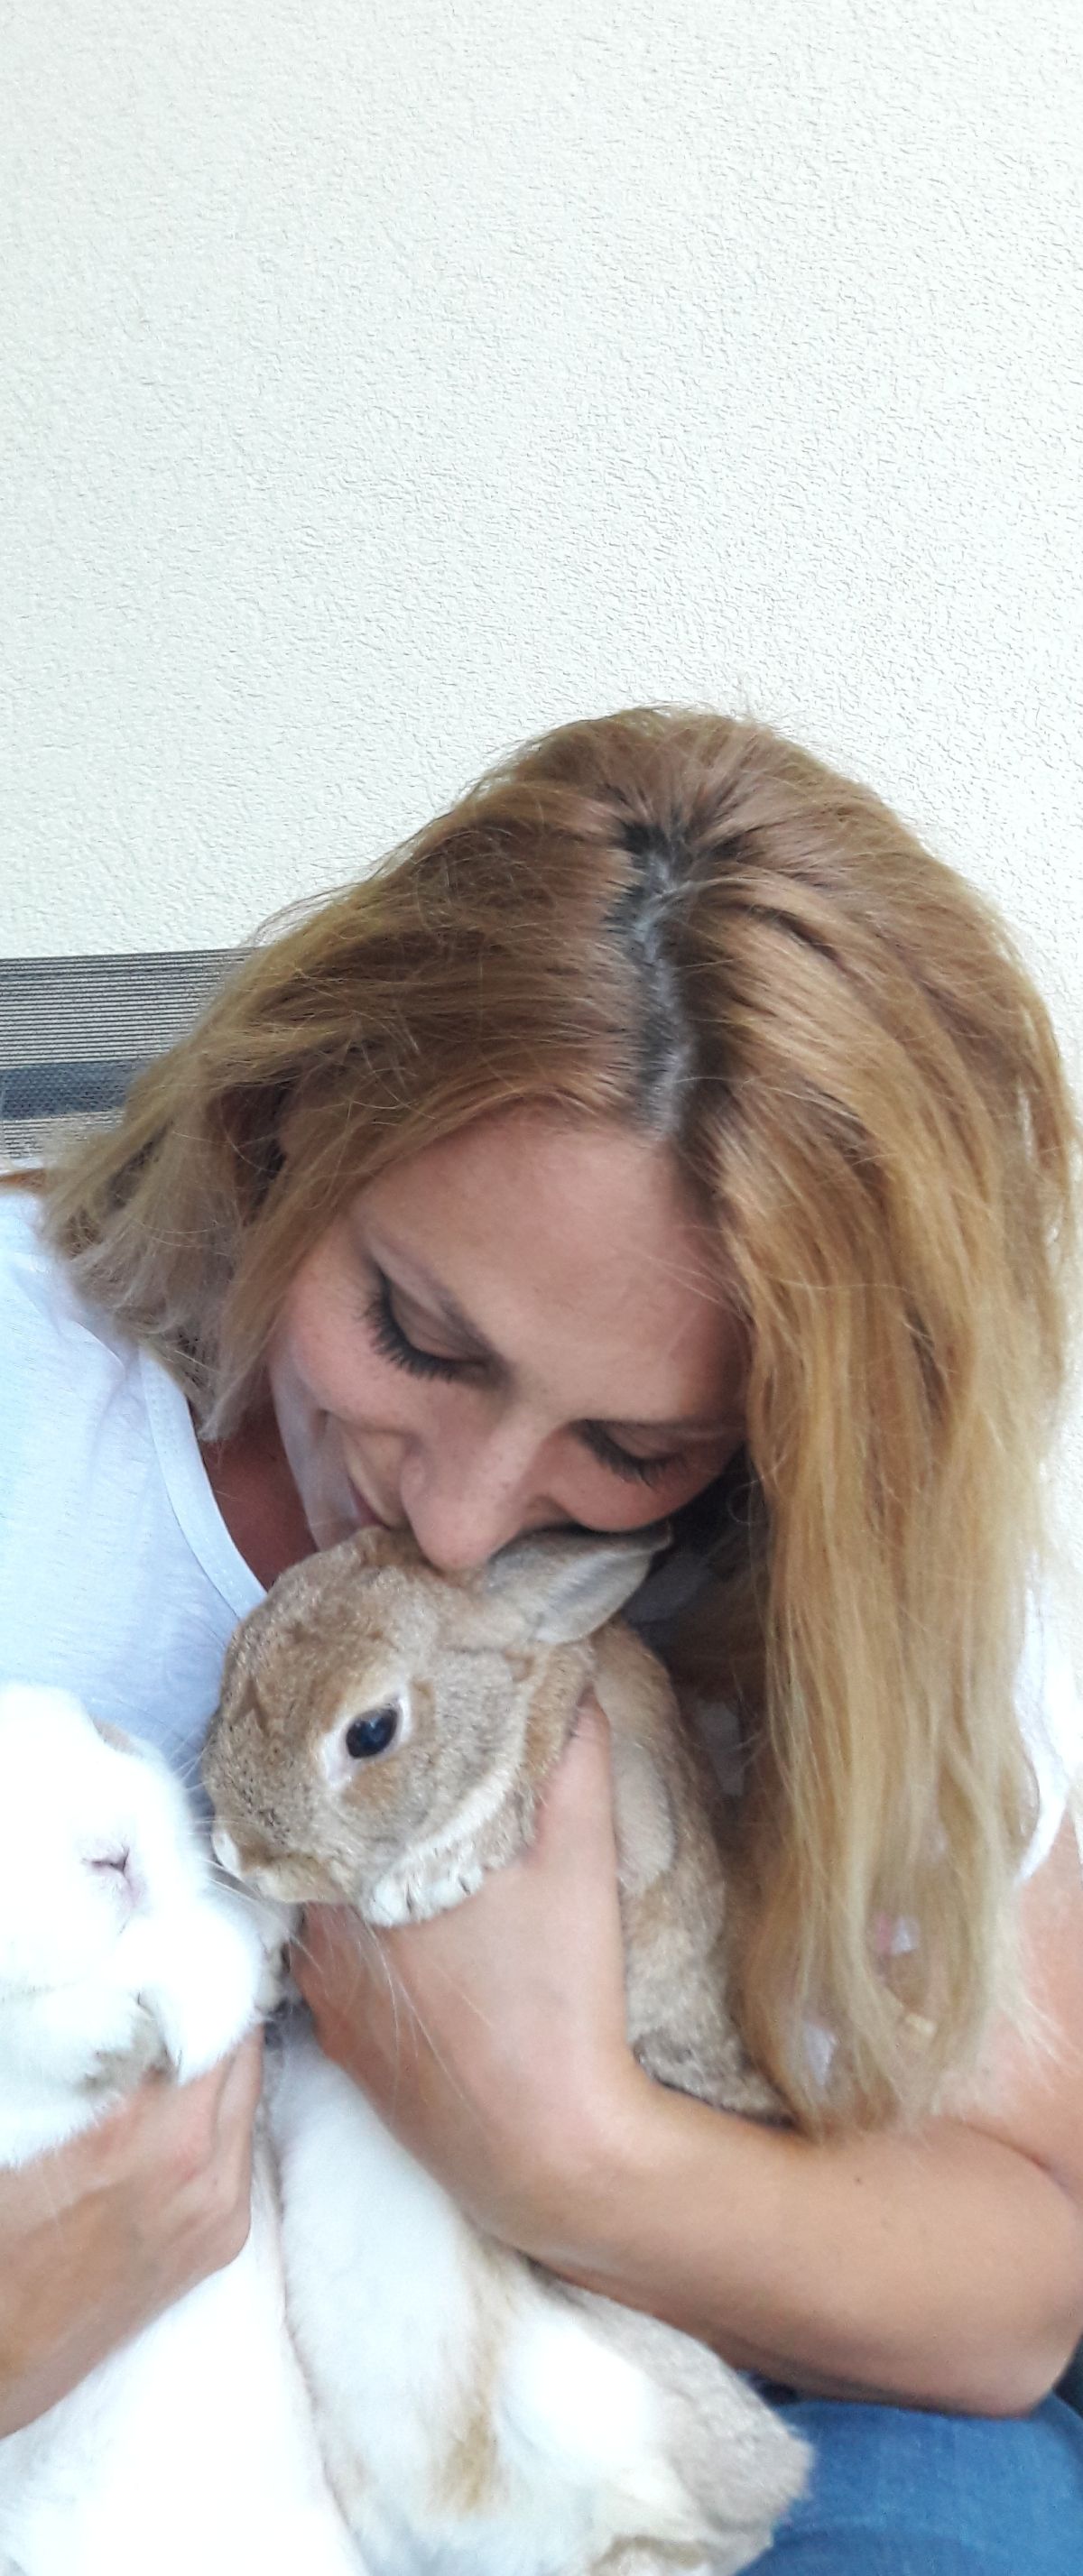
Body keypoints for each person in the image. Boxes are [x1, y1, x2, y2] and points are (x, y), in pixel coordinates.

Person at [2, 704, 1082, 2570]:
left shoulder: (858, 1577)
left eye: (637, 1449)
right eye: (415, 1337)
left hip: (687, 2360)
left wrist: (554, 2141)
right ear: (288, 1124)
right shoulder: (42, 1408)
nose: (464, 1518)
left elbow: (1009, 2302)